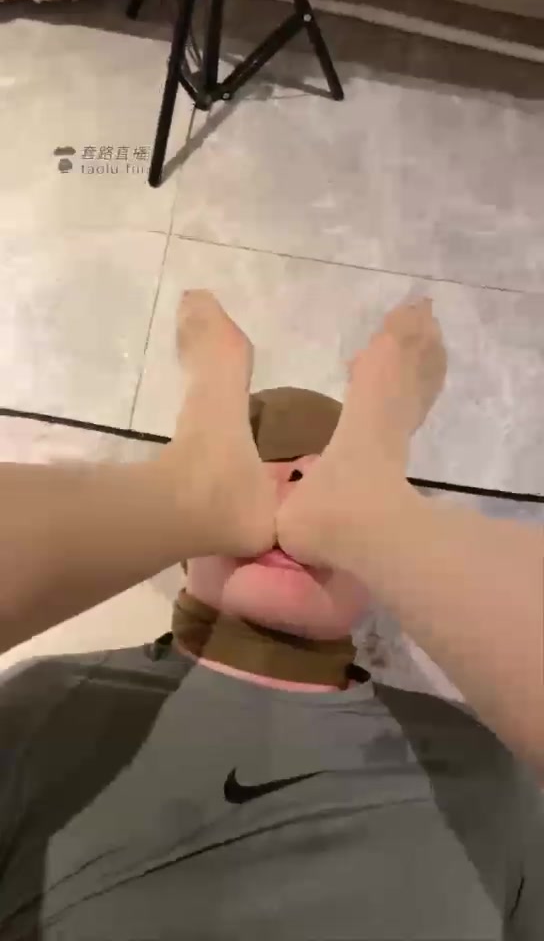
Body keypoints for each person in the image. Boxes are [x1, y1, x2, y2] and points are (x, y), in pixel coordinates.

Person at [0, 291, 542, 939]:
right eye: (269, 469)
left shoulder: (488, 762)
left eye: (325, 476)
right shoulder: (39, 705)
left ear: (384, 579)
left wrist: (390, 530)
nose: (295, 483)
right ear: (177, 548)